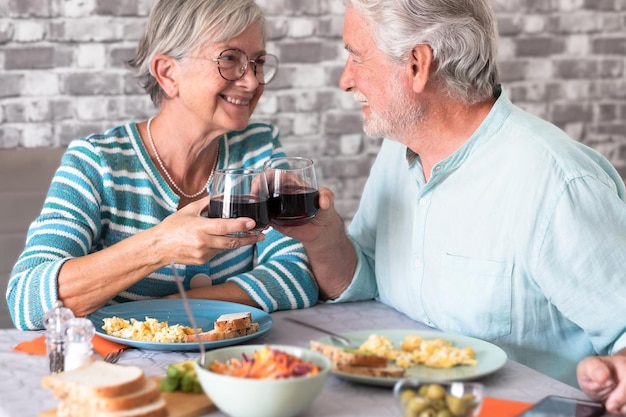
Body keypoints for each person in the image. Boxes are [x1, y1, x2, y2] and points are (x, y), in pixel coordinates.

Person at [273, 0, 626, 414]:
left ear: (418, 65)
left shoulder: (557, 181)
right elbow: (366, 283)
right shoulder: (397, 149)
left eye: (356, 56)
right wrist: (324, 237)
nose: (345, 79)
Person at [6, 0, 319, 331]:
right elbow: (27, 300)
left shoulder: (257, 149)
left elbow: (296, 276)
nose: (253, 82)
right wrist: (160, 246)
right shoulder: (97, 163)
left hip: (227, 369)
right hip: (119, 372)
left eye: (256, 63)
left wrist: (174, 311)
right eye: (230, 60)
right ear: (168, 74)